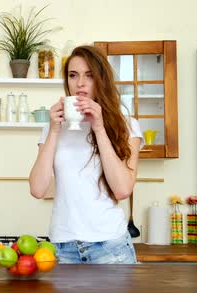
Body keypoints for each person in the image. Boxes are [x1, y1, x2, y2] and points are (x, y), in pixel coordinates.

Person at [28, 45, 144, 264]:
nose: (80, 83)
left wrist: (99, 128)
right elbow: (37, 189)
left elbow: (122, 190)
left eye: (89, 76)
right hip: (62, 248)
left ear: (101, 80)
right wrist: (53, 130)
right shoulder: (53, 127)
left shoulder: (127, 126)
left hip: (110, 248)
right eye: (73, 75)